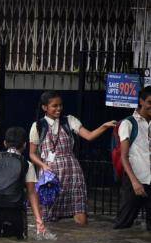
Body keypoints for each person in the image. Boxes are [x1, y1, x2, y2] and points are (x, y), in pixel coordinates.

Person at [28, 91, 116, 225]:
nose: (59, 109)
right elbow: (32, 154)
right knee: (49, 212)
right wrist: (43, 166)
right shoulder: (38, 126)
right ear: (45, 107)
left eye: (60, 105)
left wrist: (104, 126)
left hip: (73, 171)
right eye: (54, 106)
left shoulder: (69, 120)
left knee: (79, 211)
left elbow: (89, 136)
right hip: (49, 174)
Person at [114, 86, 151, 230]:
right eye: (149, 102)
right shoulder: (128, 123)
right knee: (123, 225)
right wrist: (134, 182)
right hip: (135, 182)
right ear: (141, 102)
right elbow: (124, 156)